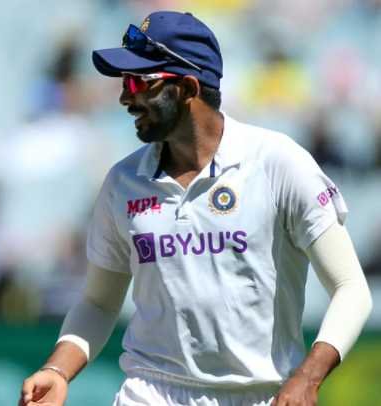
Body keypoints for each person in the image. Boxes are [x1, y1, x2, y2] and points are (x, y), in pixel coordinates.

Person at [19, 11, 372, 406]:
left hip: (259, 395)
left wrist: (308, 377)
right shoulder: (123, 182)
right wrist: (57, 370)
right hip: (151, 392)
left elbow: (352, 289)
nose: (124, 97)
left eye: (139, 83)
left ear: (187, 87)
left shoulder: (277, 163)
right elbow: (98, 302)